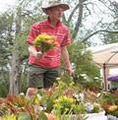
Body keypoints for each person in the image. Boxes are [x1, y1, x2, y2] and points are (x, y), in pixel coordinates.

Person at [26, 1, 73, 97]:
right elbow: (31, 46)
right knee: (32, 91)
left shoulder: (64, 29)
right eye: (57, 10)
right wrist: (36, 54)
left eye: (61, 10)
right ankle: (24, 110)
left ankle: (47, 112)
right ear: (49, 12)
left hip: (54, 66)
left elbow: (63, 49)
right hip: (37, 64)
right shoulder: (37, 27)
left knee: (51, 93)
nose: (60, 13)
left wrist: (69, 66)